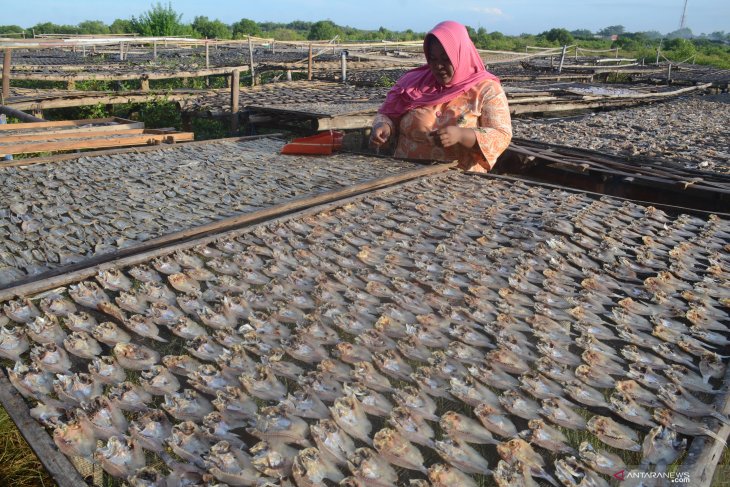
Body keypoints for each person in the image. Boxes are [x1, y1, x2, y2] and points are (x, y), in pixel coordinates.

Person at [370, 21, 512, 172]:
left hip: (459, 184)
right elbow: (388, 115)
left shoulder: (486, 90)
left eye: (446, 59)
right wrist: (383, 126)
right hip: (404, 176)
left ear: (461, 55)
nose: (438, 66)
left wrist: (461, 135)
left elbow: (501, 135)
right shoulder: (411, 83)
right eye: (433, 59)